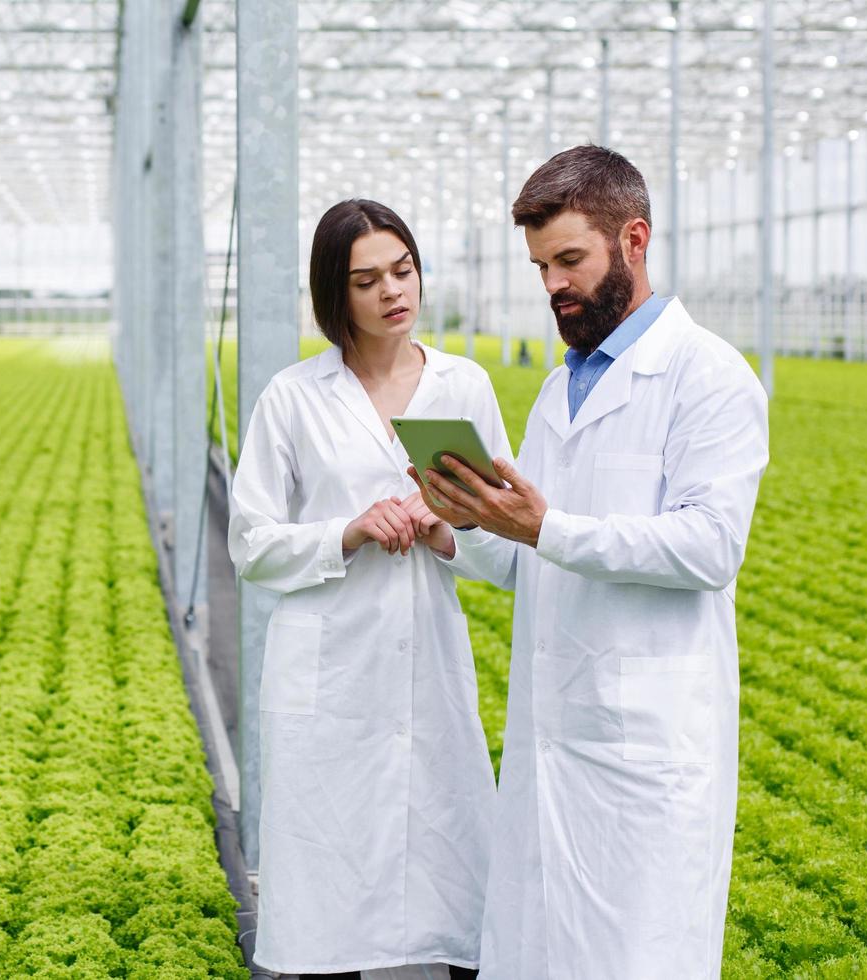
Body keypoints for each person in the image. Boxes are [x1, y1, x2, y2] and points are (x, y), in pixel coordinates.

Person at [410, 145, 769, 979]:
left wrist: (546, 529)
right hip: (553, 738)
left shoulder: (706, 377)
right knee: (538, 951)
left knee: (633, 956)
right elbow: (534, 555)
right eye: (541, 266)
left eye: (570, 259)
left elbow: (711, 546)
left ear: (633, 240)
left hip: (645, 749)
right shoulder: (557, 388)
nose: (552, 286)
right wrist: (458, 528)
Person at [229, 199, 508, 979]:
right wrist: (346, 533)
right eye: (367, 279)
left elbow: (509, 545)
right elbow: (249, 542)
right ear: (334, 295)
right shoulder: (293, 397)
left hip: (428, 662)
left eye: (403, 269)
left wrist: (450, 526)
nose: (393, 291)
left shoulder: (464, 387)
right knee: (328, 892)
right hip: (331, 667)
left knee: (454, 870)